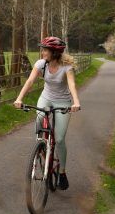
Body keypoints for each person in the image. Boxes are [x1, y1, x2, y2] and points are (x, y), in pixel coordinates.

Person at [13, 36, 81, 190]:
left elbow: (71, 85)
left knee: (60, 138)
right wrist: (19, 98)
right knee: (39, 121)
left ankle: (62, 172)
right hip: (46, 98)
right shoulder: (41, 64)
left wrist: (76, 102)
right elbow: (30, 81)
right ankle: (42, 147)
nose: (42, 52)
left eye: (45, 50)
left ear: (55, 52)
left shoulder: (67, 67)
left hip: (62, 102)